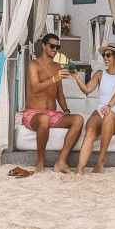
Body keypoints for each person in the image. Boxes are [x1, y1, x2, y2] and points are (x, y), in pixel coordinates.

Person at [24, 33, 84, 173]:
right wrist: (54, 79)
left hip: (53, 114)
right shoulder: (34, 65)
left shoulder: (57, 67)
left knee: (78, 120)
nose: (55, 49)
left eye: (58, 47)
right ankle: (40, 162)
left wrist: (66, 110)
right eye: (52, 46)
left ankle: (61, 161)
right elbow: (35, 87)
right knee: (43, 119)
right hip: (34, 113)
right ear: (43, 46)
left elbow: (59, 94)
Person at [71, 42, 115, 175]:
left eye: (108, 55)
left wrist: (109, 106)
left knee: (108, 117)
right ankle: (80, 169)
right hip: (100, 112)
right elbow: (87, 90)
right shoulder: (99, 74)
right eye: (104, 55)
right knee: (90, 130)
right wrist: (76, 77)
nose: (105, 58)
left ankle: (100, 163)